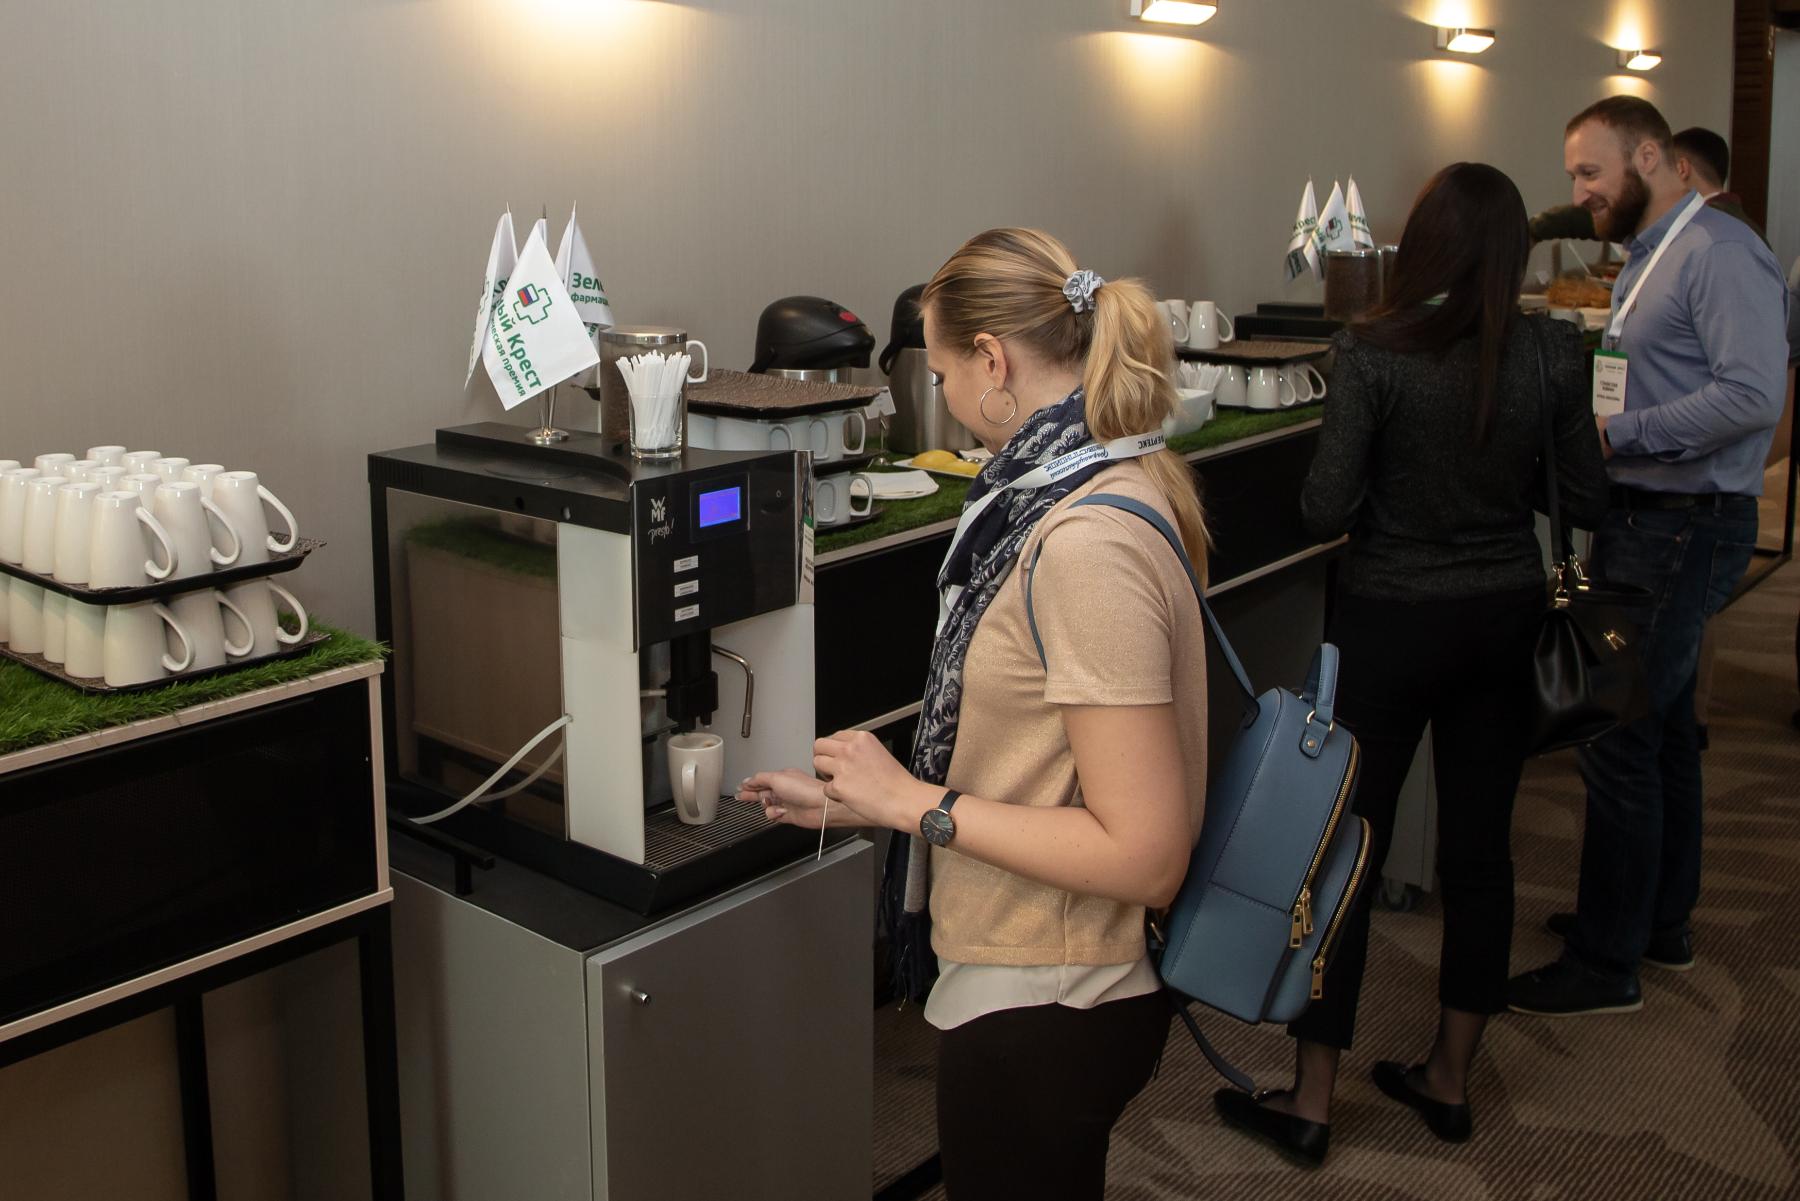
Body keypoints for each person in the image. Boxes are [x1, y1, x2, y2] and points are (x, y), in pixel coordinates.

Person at [738, 228, 1210, 1200]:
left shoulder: (1082, 543)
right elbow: (1040, 761)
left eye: (943, 374)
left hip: (1055, 990)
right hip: (1043, 973)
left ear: (993, 362)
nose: (945, 396)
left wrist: (913, 803)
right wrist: (867, 801)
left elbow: (1145, 854)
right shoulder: (1078, 483)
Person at [1211, 163, 1607, 1166]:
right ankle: (1449, 1079)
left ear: (1422, 245)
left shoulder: (1371, 351)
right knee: (1480, 855)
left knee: (1344, 852)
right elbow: (1586, 499)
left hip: (1390, 621)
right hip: (1502, 620)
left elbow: (1325, 509)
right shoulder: (1550, 352)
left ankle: (1311, 1098)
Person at [1509, 96, 1790, 1016]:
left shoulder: (1717, 251)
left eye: (1591, 172)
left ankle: (1606, 960)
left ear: (1651, 157)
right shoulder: (1650, 252)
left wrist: (1618, 435)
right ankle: (1658, 920)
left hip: (1683, 520)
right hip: (1650, 515)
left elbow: (1752, 396)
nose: (1581, 191)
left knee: (1617, 731)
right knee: (1662, 730)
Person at [1528, 125, 1764, 244]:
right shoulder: (1739, 224)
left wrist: (1536, 228)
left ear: (1681, 168)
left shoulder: (1702, 230)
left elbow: (1622, 216)